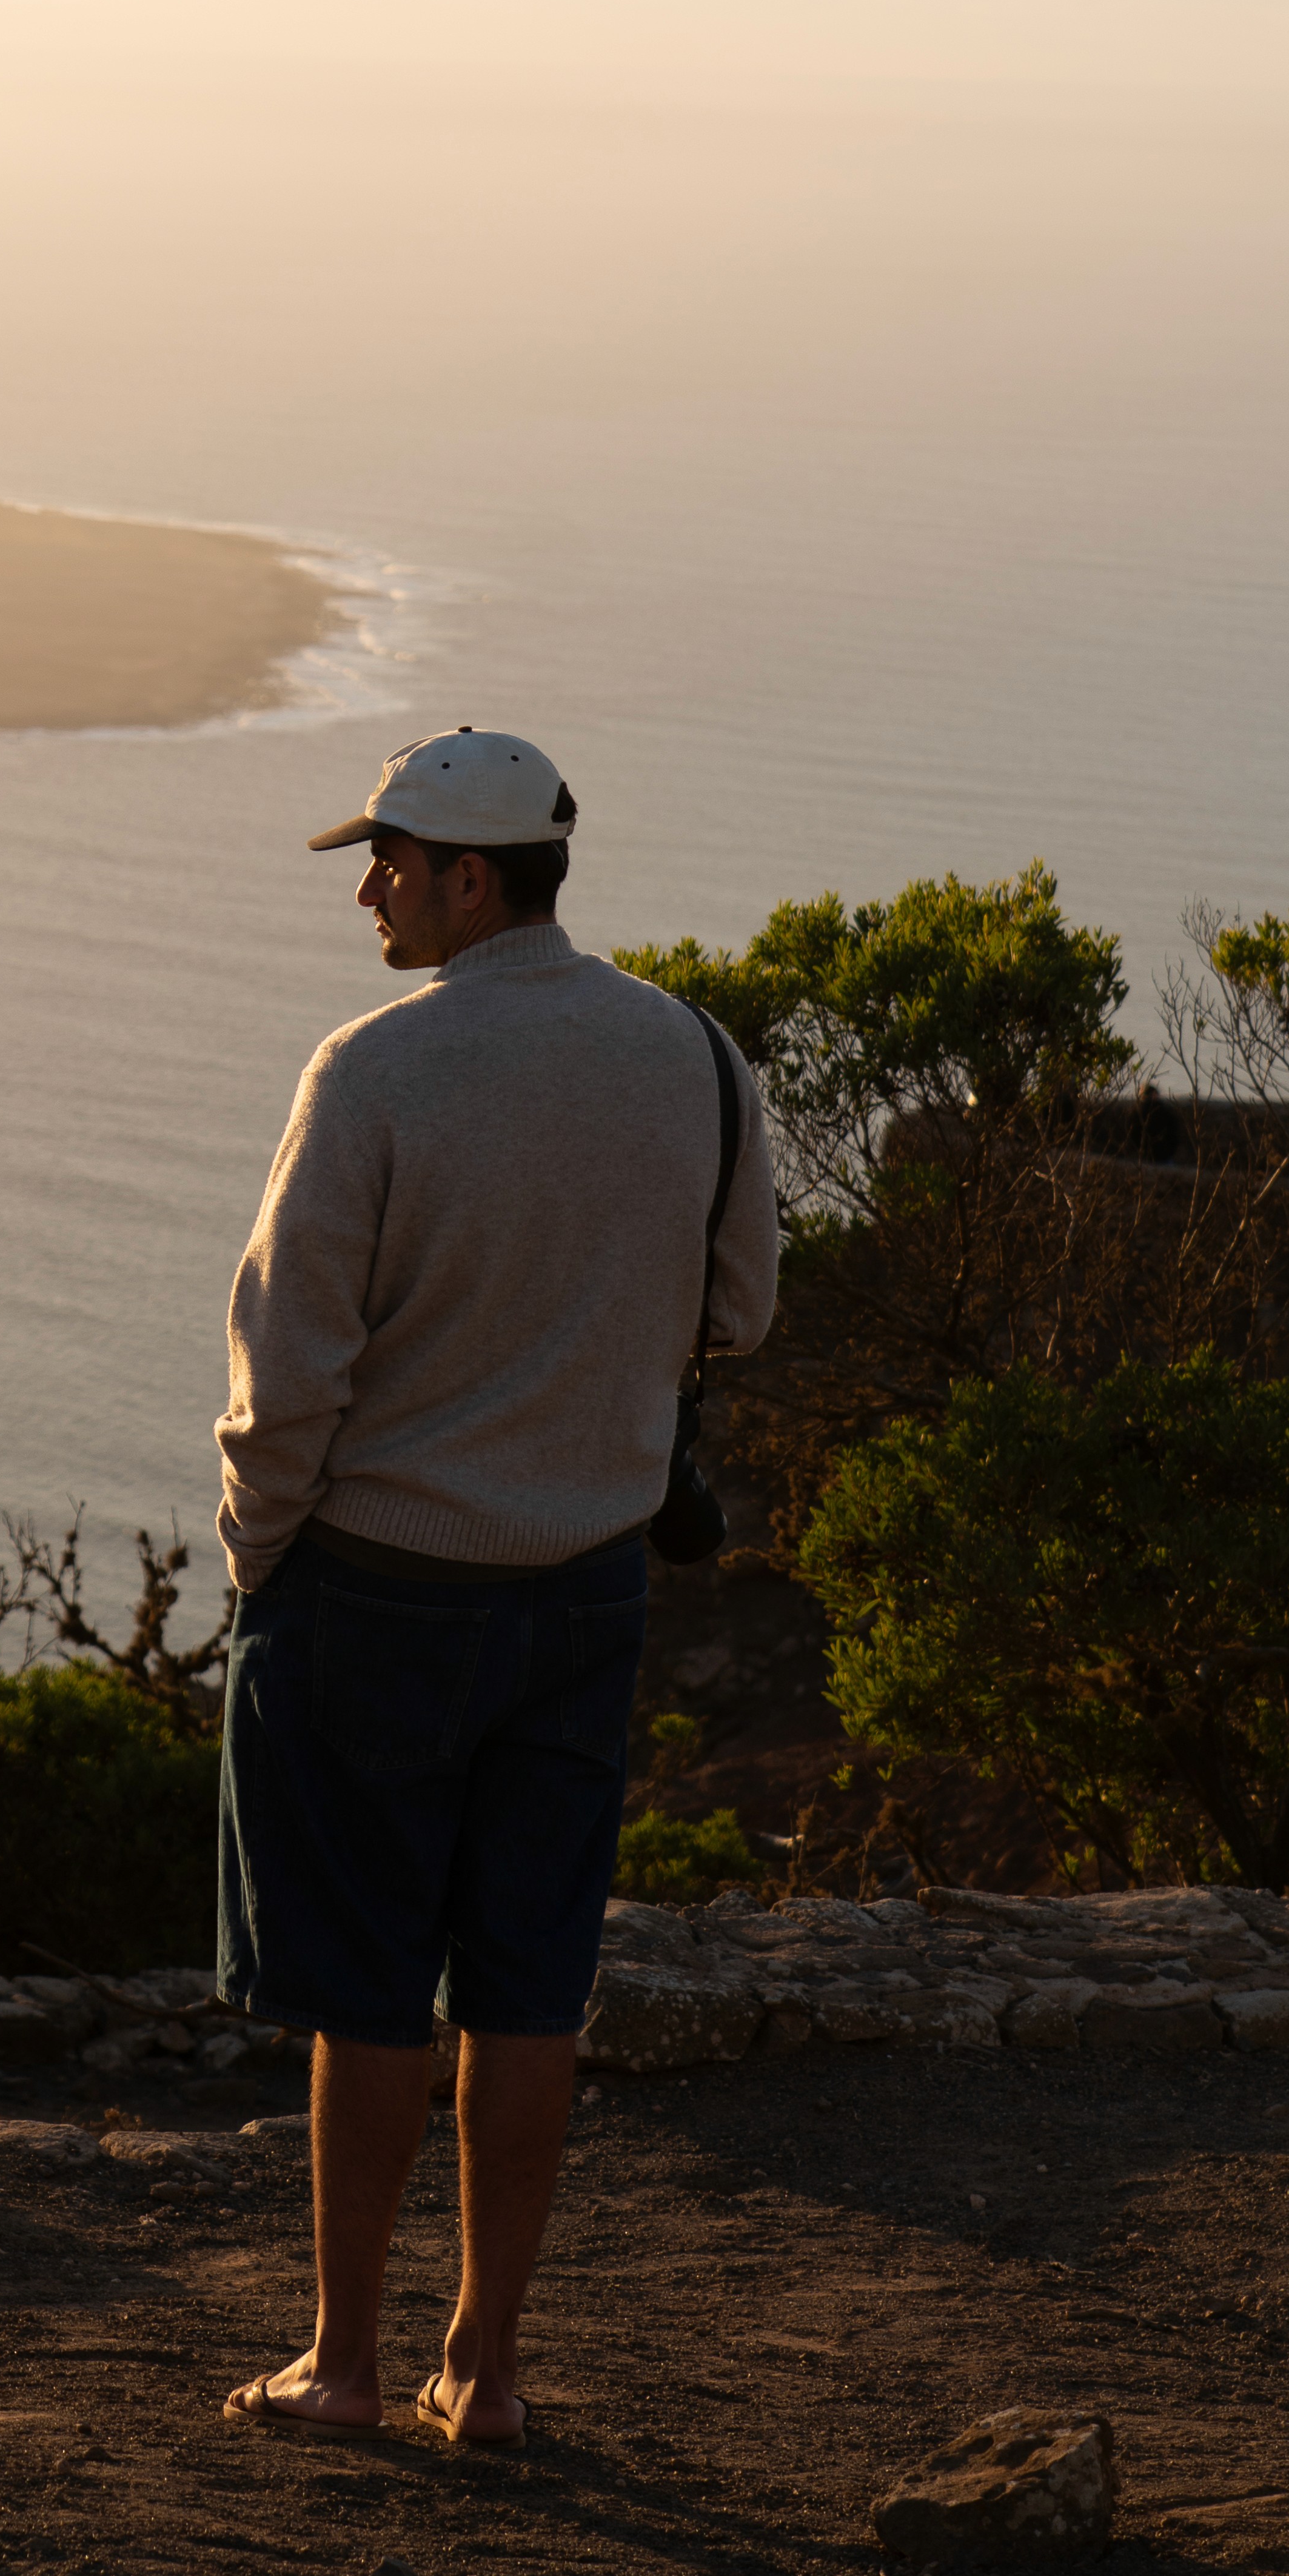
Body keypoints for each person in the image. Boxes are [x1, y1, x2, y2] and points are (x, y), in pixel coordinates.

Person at [212, 727, 777, 2454]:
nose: (369, 890)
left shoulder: (374, 1073)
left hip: (380, 1591)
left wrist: (258, 1557)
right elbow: (739, 1314)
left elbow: (289, 1368)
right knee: (532, 1984)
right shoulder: (695, 1054)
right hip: (588, 1592)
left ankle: (348, 2362)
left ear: (472, 879)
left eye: (388, 861)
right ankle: (491, 2368)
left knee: (371, 1988)